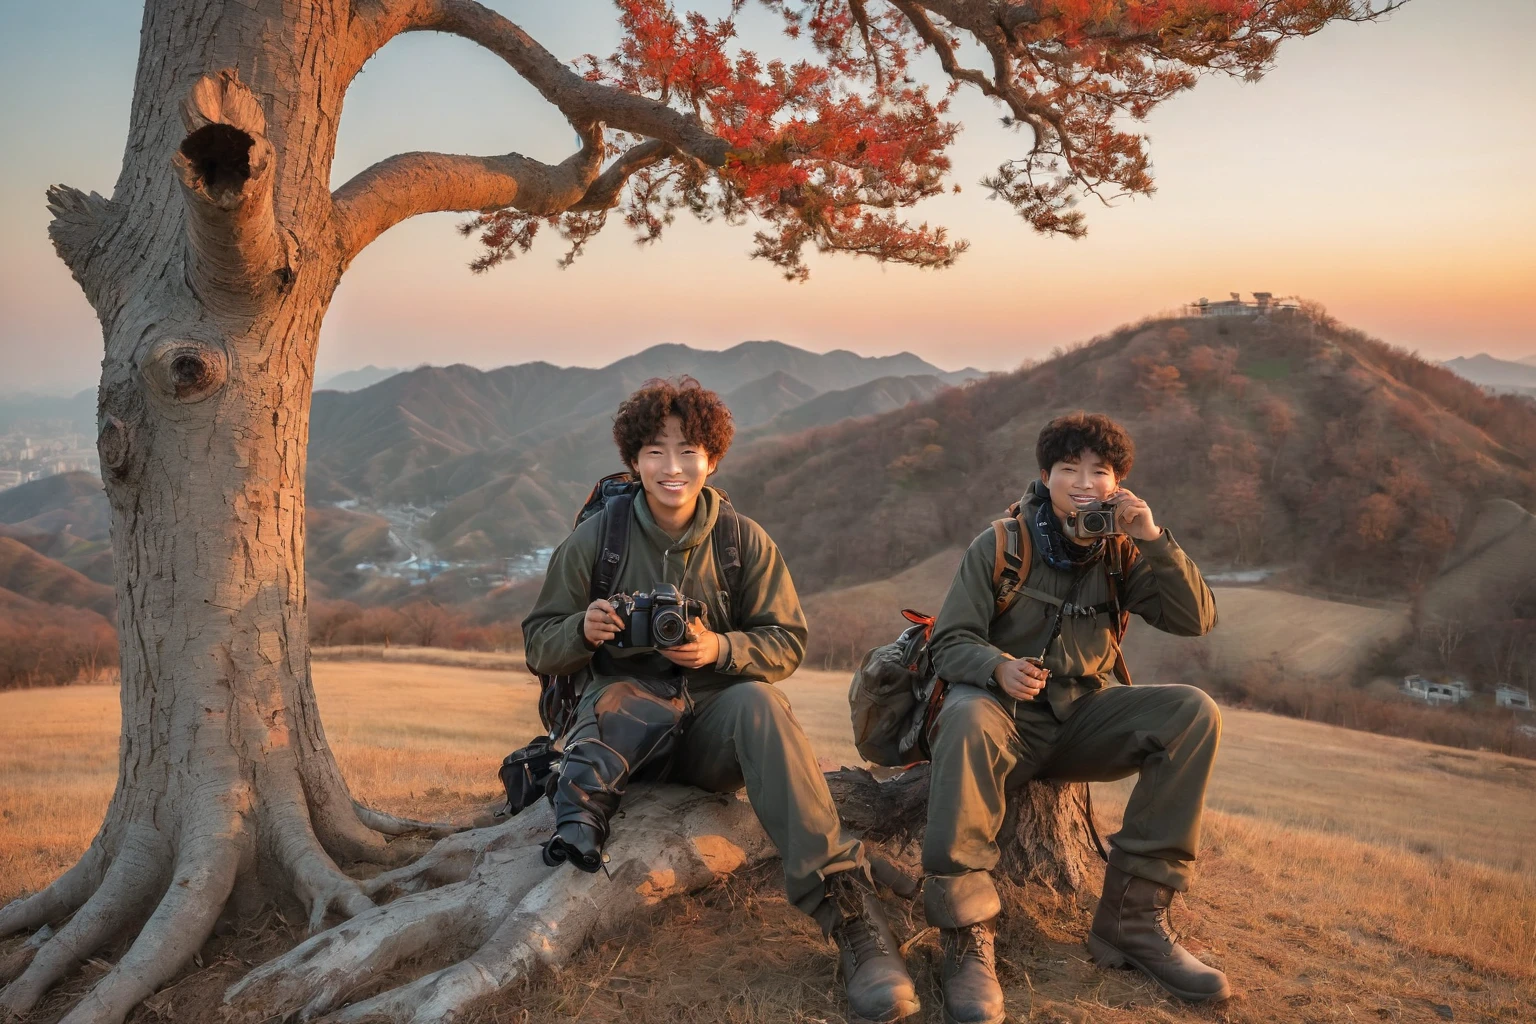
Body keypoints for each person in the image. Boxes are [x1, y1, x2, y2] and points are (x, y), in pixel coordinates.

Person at [522, 377, 919, 1023]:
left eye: (688, 451)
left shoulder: (742, 541)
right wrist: (581, 630)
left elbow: (787, 641)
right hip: (622, 743)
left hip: (710, 734)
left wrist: (719, 651)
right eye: (655, 451)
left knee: (761, 704)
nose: (672, 467)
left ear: (712, 458)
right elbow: (539, 642)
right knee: (625, 700)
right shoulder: (598, 540)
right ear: (633, 459)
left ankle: (850, 917)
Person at [922, 411, 1226, 1024]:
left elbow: (1195, 619)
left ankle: (1131, 922)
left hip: (1081, 719)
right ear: (1046, 475)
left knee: (1191, 712)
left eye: (1100, 472)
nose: (1084, 484)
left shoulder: (1123, 552)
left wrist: (1153, 538)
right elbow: (948, 641)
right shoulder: (1003, 543)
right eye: (1070, 470)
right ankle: (966, 937)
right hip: (1003, 719)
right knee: (966, 716)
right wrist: (997, 667)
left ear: (1119, 484)